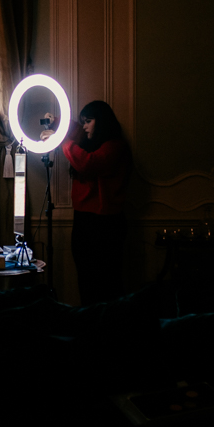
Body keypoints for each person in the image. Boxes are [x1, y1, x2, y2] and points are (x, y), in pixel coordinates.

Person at [61, 100, 133, 305]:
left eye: (89, 121)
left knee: (106, 283)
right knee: (87, 280)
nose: (84, 126)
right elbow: (76, 130)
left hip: (105, 224)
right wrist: (57, 121)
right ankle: (92, 327)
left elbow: (88, 163)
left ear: (101, 122)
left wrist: (63, 141)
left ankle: (105, 329)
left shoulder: (115, 147)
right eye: (83, 121)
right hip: (86, 221)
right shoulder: (97, 145)